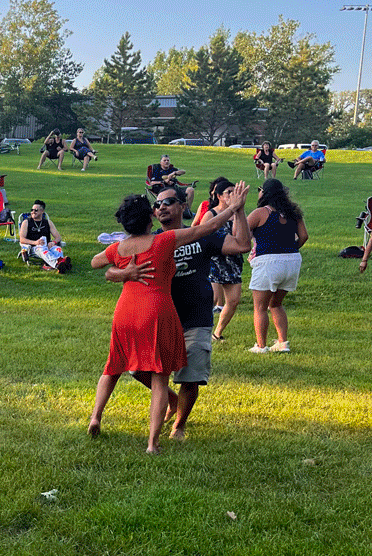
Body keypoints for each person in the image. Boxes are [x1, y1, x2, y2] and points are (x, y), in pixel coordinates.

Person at [89, 185, 247, 453]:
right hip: (158, 313)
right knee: (150, 374)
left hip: (160, 314)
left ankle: (171, 424)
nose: (161, 207)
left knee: (177, 374)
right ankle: (158, 430)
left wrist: (238, 211)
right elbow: (202, 230)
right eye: (157, 205)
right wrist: (232, 208)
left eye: (169, 202)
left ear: (182, 206)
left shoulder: (132, 244)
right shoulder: (161, 240)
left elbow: (96, 263)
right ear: (150, 217)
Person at [246, 179, 307, 353]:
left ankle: (261, 346)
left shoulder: (260, 213)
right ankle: (282, 343)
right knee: (276, 304)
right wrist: (289, 249)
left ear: (264, 193)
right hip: (292, 261)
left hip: (268, 262)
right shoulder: (294, 212)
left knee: (260, 307)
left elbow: (241, 231)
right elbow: (304, 236)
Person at [192, 178, 245, 342]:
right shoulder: (211, 214)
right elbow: (201, 235)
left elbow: (242, 237)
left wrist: (238, 212)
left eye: (234, 191)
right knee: (212, 299)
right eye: (229, 192)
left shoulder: (238, 213)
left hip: (233, 262)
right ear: (220, 196)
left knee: (234, 300)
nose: (232, 195)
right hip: (213, 262)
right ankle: (196, 331)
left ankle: (217, 333)